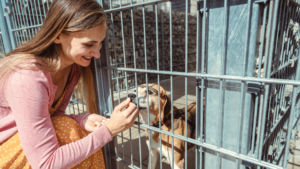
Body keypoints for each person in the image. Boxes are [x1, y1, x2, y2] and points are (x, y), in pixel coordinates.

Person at [0, 0, 139, 168]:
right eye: (89, 44)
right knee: (68, 129)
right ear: (58, 35)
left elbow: (53, 117)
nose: (97, 54)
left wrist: (82, 119)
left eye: (100, 43)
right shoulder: (27, 77)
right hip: (6, 151)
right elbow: (46, 164)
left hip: (24, 145)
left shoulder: (72, 71)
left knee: (75, 128)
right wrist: (110, 130)